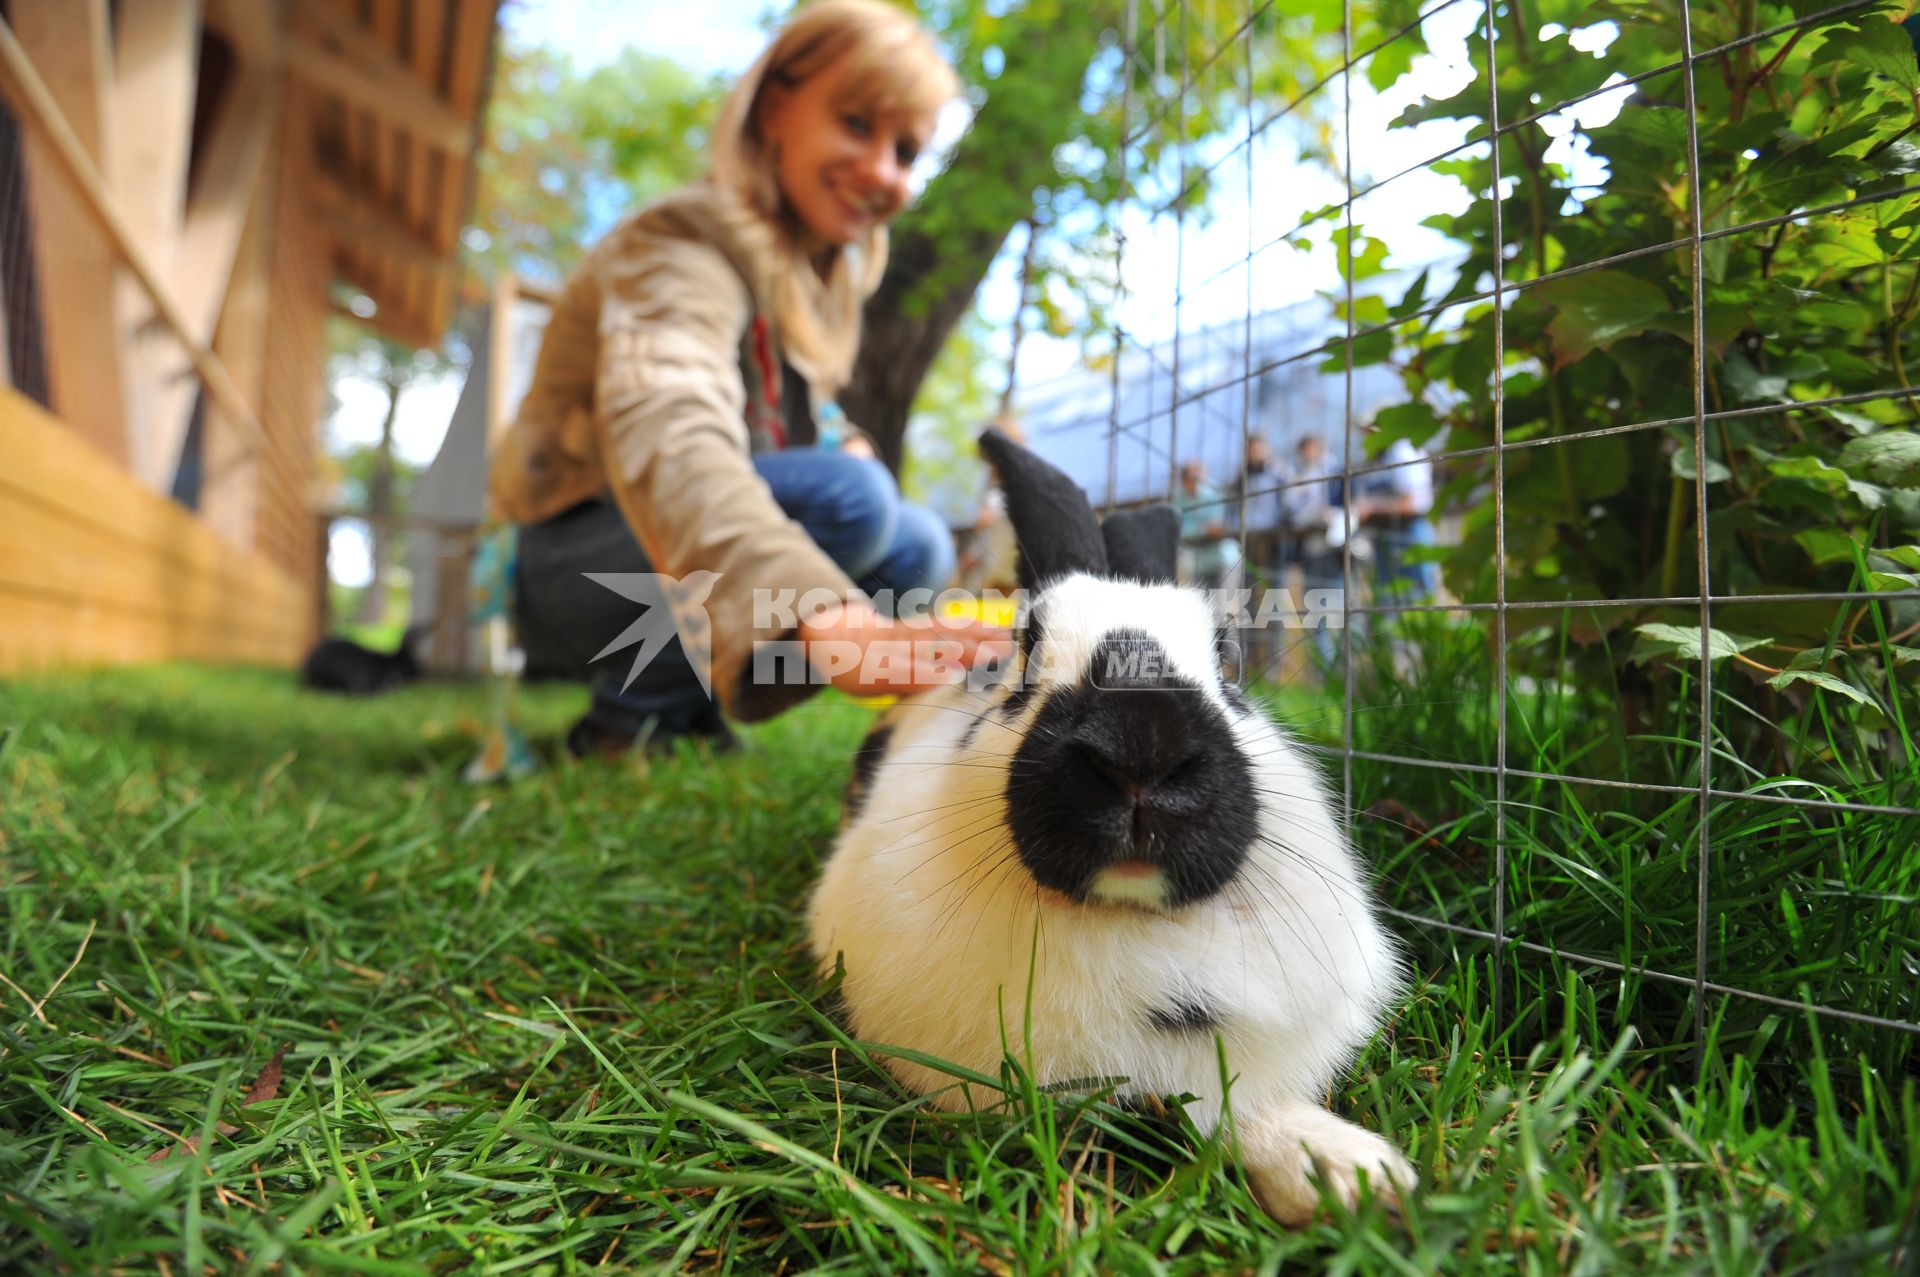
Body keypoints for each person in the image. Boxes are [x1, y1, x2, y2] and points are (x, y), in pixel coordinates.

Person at [489, 0, 1007, 755]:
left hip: (660, 566)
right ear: (774, 108)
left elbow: (795, 420)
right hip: (567, 574)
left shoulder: (805, 284)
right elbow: (670, 431)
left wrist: (845, 439)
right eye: (857, 124)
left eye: (906, 151)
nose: (882, 173)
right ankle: (632, 715)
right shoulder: (679, 245)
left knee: (920, 542)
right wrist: (830, 615)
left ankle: (684, 700)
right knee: (855, 501)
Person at [1174, 459, 1240, 593]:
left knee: (1224, 609)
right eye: (1192, 476)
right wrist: (1204, 530)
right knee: (1204, 608)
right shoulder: (1178, 499)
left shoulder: (1216, 493)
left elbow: (1224, 524)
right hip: (1199, 564)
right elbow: (1179, 530)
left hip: (1224, 559)